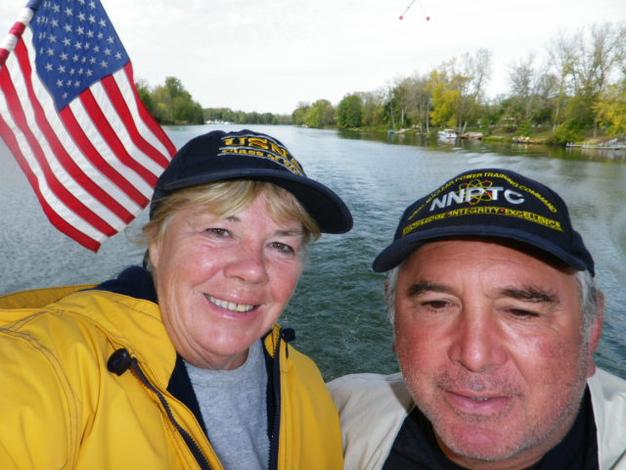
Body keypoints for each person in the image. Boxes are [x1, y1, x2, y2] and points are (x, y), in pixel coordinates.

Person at [0, 129, 352, 469]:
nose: (252, 270)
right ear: (156, 243)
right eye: (220, 231)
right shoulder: (51, 365)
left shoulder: (304, 380)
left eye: (281, 245)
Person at [329, 168, 626, 470]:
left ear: (591, 329)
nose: (474, 356)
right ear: (395, 323)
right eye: (437, 305)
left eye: (521, 312)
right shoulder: (335, 416)